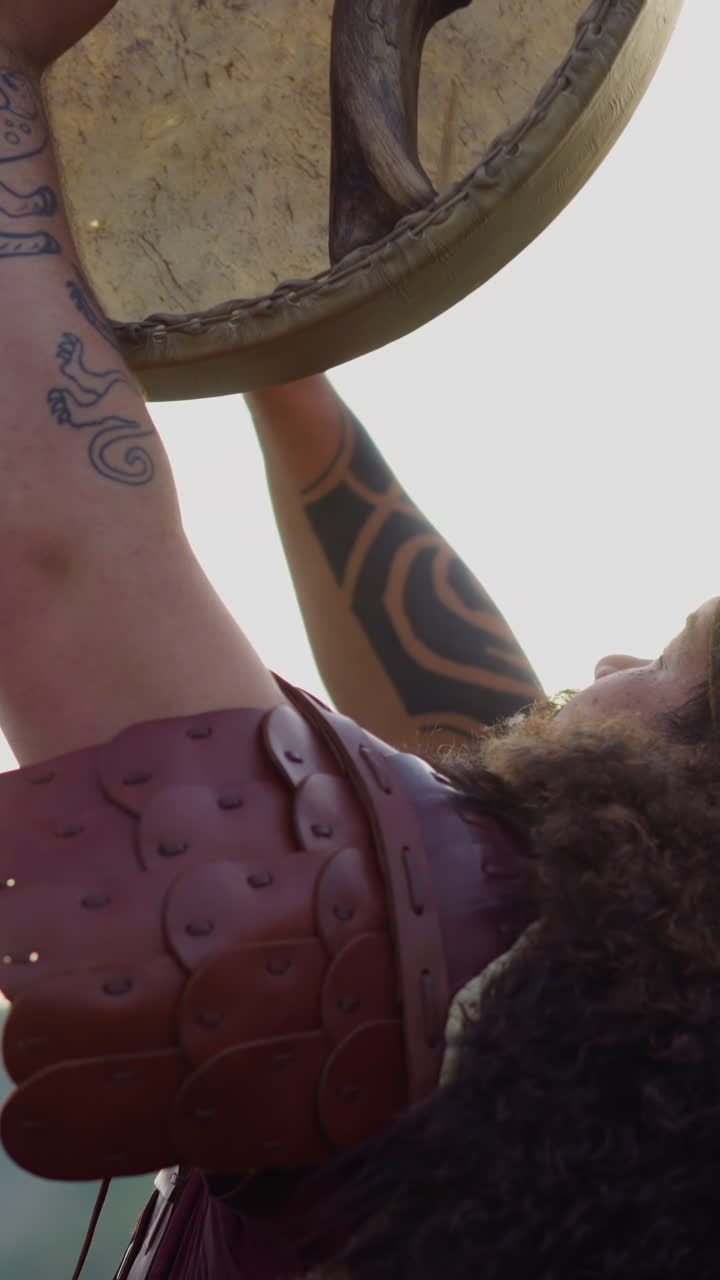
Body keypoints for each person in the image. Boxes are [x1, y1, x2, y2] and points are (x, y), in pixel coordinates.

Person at [0, 5, 719, 1280]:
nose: (609, 663)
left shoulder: (505, 993)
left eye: (671, 668)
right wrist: (284, 345)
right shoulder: (614, 1089)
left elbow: (59, 554)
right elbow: (463, 716)